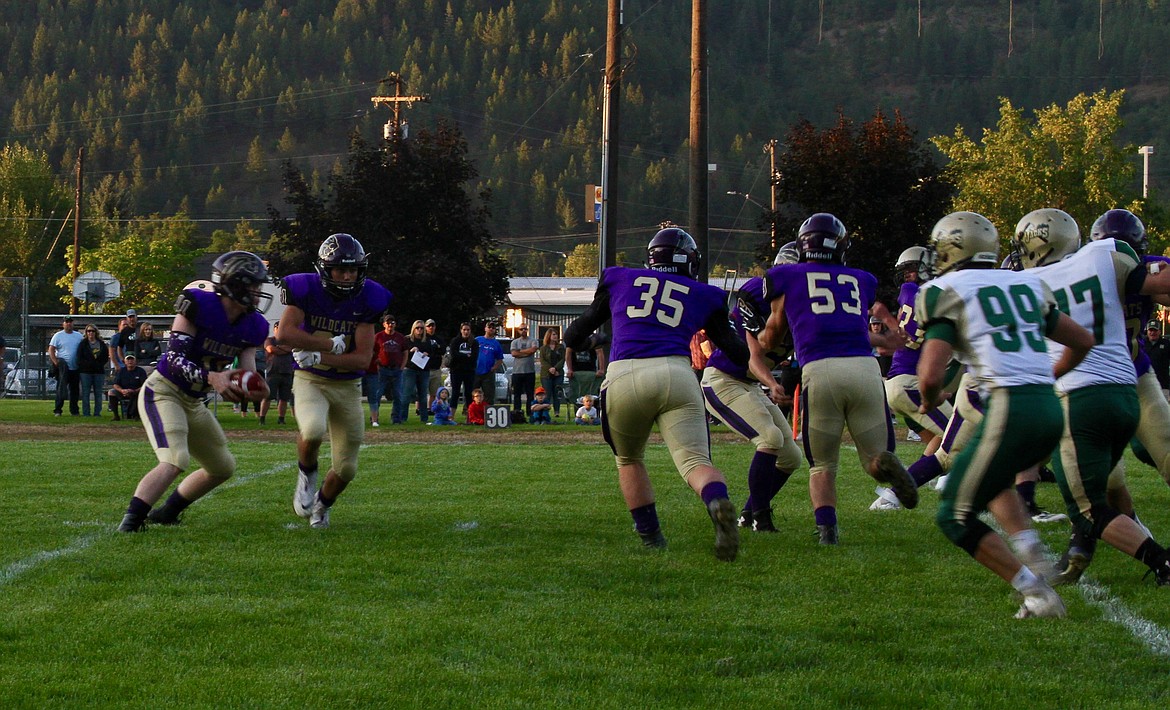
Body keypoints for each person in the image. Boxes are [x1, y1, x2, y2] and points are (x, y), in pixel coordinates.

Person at [915, 211, 1094, 618]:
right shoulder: (1025, 283)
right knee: (994, 480)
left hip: (1008, 407)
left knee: (954, 516)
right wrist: (1048, 374)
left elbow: (929, 374)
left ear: (952, 248)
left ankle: (1036, 593)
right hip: (1048, 408)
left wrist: (927, 399)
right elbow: (1083, 339)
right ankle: (1032, 550)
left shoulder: (945, 289)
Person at [564, 226, 750, 561]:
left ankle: (652, 538)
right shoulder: (704, 294)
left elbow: (576, 332)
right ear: (689, 261)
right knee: (695, 461)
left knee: (629, 458)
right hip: (675, 374)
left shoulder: (620, 278)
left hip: (623, 375)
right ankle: (715, 500)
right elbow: (738, 353)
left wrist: (593, 343)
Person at [1010, 207, 1170, 588]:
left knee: (1162, 448)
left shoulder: (1103, 264)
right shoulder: (1101, 259)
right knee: (1107, 481)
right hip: (1114, 379)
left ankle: (1100, 536)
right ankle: (1089, 538)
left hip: (1123, 374)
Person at [758, 213, 916, 545]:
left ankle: (827, 530)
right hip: (864, 367)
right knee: (874, 457)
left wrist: (761, 346)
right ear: (840, 247)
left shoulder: (784, 275)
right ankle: (882, 464)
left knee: (823, 464)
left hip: (820, 369)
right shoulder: (862, 279)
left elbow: (773, 334)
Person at [116, 251, 271, 531]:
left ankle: (167, 513)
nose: (258, 293)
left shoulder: (254, 325)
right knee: (175, 459)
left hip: (193, 401)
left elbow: (247, 372)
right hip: (164, 390)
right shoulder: (198, 304)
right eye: (253, 286)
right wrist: (214, 378)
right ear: (234, 284)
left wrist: (254, 387)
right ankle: (131, 522)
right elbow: (174, 359)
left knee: (222, 467)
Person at [276, 233, 392, 530]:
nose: (346, 276)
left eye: (352, 270)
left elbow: (362, 359)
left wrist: (319, 355)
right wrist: (326, 349)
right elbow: (284, 334)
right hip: (310, 379)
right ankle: (306, 474)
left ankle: (322, 505)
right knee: (312, 429)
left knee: (347, 468)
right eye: (340, 269)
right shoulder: (305, 289)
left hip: (346, 386)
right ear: (325, 269)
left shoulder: (369, 298)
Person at [701, 243, 804, 534]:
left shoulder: (806, 305)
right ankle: (761, 516)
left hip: (749, 383)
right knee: (769, 438)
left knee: (791, 456)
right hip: (723, 379)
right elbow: (754, 355)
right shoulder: (756, 294)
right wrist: (772, 383)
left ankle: (747, 512)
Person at [872, 246, 955, 510]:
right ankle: (894, 495)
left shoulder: (917, 295)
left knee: (941, 439)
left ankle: (943, 479)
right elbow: (909, 337)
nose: (906, 277)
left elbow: (903, 339)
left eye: (909, 270)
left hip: (902, 385)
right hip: (909, 383)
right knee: (961, 438)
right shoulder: (917, 293)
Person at [375, 314, 409, 424]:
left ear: (395, 324)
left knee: (398, 396)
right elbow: (373, 352)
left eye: (392, 322)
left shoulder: (400, 337)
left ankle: (396, 419)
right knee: (377, 395)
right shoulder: (378, 337)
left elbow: (405, 352)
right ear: (384, 324)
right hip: (382, 369)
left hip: (396, 369)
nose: (390, 325)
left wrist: (402, 367)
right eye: (388, 323)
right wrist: (377, 366)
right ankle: (374, 418)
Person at [402, 319, 438, 424]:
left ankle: (424, 418)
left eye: (421, 328)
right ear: (413, 328)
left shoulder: (427, 341)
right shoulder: (407, 339)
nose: (419, 330)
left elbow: (434, 354)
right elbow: (402, 353)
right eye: (417, 328)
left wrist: (427, 354)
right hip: (410, 370)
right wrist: (410, 351)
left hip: (423, 370)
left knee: (423, 395)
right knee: (406, 394)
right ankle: (403, 418)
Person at [260, 324, 295, 425]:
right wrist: (286, 349)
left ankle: (281, 419)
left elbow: (292, 349)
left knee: (284, 398)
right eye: (278, 328)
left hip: (287, 372)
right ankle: (262, 419)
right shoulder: (270, 340)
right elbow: (271, 349)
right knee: (268, 397)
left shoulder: (290, 341)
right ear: (275, 329)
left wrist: (280, 349)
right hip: (273, 371)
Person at [48, 316, 83, 416]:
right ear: (63, 324)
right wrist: (56, 362)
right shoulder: (58, 336)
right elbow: (51, 349)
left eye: (70, 322)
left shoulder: (78, 336)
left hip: (75, 368)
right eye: (66, 322)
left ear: (73, 323)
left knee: (75, 391)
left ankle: (74, 411)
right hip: (63, 369)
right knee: (61, 389)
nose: (69, 324)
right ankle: (58, 410)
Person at [76, 323, 109, 417]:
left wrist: (98, 364)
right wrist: (87, 365)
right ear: (86, 332)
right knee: (85, 393)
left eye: (92, 331)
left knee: (98, 393)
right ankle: (86, 413)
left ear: (96, 332)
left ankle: (97, 413)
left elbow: (105, 357)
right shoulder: (83, 344)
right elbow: (79, 358)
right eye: (88, 331)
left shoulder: (101, 344)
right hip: (85, 372)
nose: (90, 333)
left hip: (98, 372)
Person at [565, 330, 606, 404]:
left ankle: (592, 412)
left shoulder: (594, 338)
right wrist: (569, 369)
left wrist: (601, 369)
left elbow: (600, 353)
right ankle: (578, 413)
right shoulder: (573, 338)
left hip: (591, 370)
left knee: (592, 394)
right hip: (575, 371)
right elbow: (568, 353)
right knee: (577, 396)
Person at [447, 322, 479, 415]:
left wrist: (463, 356)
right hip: (456, 370)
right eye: (464, 329)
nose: (466, 332)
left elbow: (474, 356)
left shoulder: (474, 342)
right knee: (455, 393)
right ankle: (451, 416)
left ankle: (470, 416)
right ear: (461, 330)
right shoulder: (455, 341)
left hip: (469, 371)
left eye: (468, 330)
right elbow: (454, 355)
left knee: (469, 393)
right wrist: (466, 356)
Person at [510, 323, 539, 418]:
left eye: (525, 329)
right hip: (517, 372)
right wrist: (526, 352)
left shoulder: (533, 340)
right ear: (518, 330)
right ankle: (517, 413)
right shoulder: (514, 342)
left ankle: (530, 412)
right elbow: (514, 353)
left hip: (529, 371)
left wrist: (520, 352)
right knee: (517, 394)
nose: (523, 331)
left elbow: (533, 350)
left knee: (530, 394)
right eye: (521, 329)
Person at [108, 353, 148, 420]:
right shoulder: (121, 371)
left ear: (135, 361)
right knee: (111, 392)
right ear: (125, 362)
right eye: (128, 360)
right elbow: (115, 384)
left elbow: (145, 385)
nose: (130, 361)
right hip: (123, 391)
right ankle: (116, 416)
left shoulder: (141, 371)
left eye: (132, 360)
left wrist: (134, 391)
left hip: (136, 392)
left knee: (140, 394)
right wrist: (122, 390)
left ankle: (135, 415)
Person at [538, 328, 566, 418]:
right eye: (553, 334)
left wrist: (556, 368)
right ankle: (545, 411)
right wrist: (550, 369)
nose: (555, 336)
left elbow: (562, 359)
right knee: (547, 393)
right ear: (549, 336)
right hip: (546, 374)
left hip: (558, 373)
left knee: (557, 392)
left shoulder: (561, 347)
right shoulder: (543, 348)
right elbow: (542, 360)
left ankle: (557, 412)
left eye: (556, 334)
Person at [474, 321, 504, 403]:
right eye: (489, 327)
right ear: (485, 328)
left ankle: (488, 412)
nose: (491, 329)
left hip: (488, 373)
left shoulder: (496, 343)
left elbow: (500, 359)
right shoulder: (477, 340)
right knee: (472, 393)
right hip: (475, 371)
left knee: (489, 395)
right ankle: (469, 412)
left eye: (493, 328)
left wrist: (494, 368)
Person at [1144, 320, 1170, 401]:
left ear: (1159, 331)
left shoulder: (1166, 344)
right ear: (1147, 331)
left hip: (1163, 384)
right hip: (1146, 384)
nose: (1152, 333)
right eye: (1150, 330)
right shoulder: (1141, 344)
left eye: (1155, 330)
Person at [424, 319, 445, 404]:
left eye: (432, 326)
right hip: (425, 369)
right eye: (429, 326)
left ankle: (430, 408)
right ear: (426, 327)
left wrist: (434, 350)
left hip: (436, 368)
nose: (431, 327)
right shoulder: (423, 338)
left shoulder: (439, 339)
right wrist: (434, 349)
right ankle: (419, 410)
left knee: (434, 392)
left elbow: (442, 350)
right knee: (422, 392)